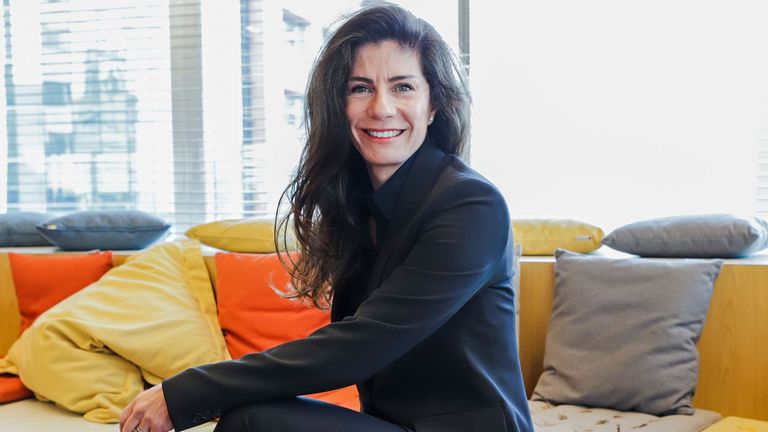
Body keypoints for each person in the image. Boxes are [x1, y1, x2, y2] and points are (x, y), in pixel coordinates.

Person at [120, 5, 533, 432]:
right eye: (360, 88)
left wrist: (188, 392)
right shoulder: (360, 207)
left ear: (433, 105)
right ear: (339, 105)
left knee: (254, 421)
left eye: (403, 87)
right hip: (394, 426)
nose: (382, 108)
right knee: (251, 417)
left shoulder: (470, 206)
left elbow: (362, 345)